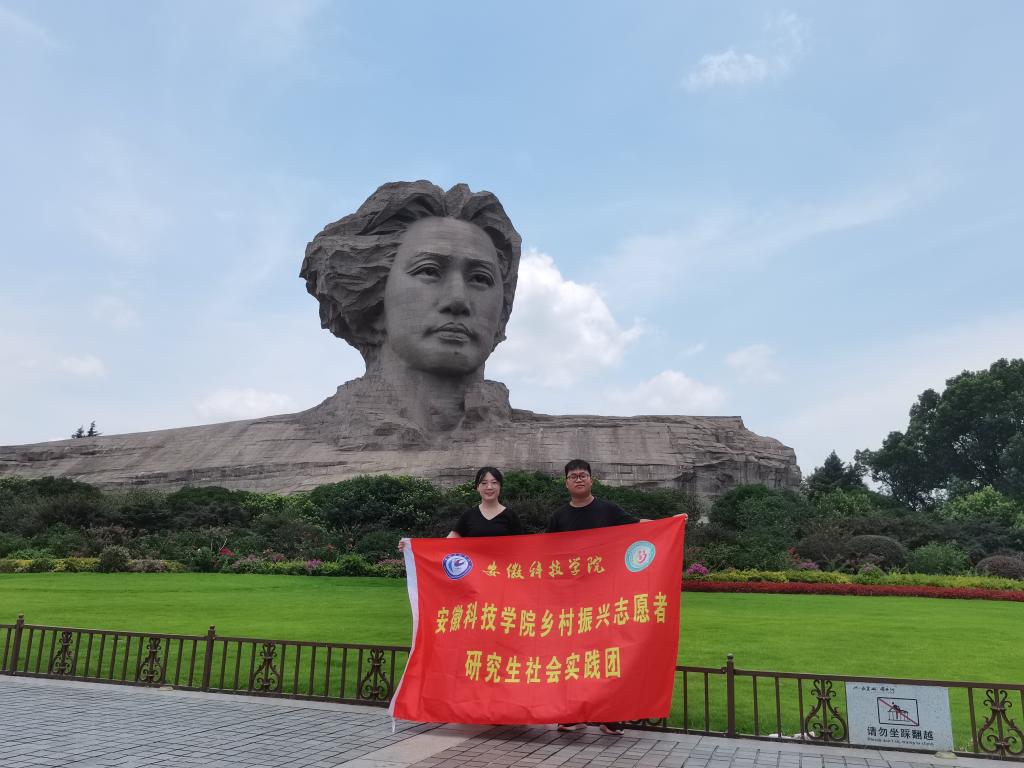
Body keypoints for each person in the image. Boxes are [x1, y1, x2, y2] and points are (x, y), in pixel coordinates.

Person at [300, 181, 522, 436]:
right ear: (374, 295)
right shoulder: (267, 444)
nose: (458, 300)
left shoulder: (559, 448)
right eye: (429, 271)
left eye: (480, 278)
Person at [547, 458, 643, 737]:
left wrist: (671, 522)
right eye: (573, 476)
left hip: (604, 598)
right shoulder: (559, 517)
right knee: (571, 657)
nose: (578, 479)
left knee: (605, 655)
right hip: (570, 600)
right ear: (566, 482)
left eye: (583, 475)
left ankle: (609, 715)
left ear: (591, 479)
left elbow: (640, 527)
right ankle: (571, 714)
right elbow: (545, 553)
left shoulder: (609, 510)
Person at [399, 466, 523, 551]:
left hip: (501, 575)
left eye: (494, 482)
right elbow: (445, 545)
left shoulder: (510, 516)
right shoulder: (469, 515)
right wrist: (411, 547)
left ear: (500, 486)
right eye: (484, 483)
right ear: (477, 487)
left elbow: (523, 548)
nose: (489, 487)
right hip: (474, 577)